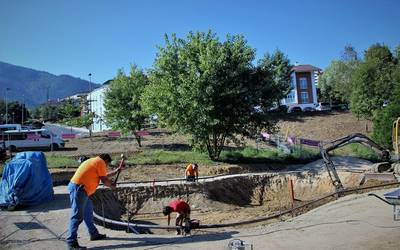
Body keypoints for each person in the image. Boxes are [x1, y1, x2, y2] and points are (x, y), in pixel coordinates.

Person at [66, 153, 122, 250]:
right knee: (77, 216)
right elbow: (104, 180)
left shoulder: (95, 161)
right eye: (107, 165)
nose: (107, 167)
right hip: (79, 189)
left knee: (88, 213)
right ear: (106, 161)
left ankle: (94, 234)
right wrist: (112, 186)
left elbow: (103, 175)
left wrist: (116, 171)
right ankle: (71, 243)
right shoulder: (100, 162)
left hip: (82, 190)